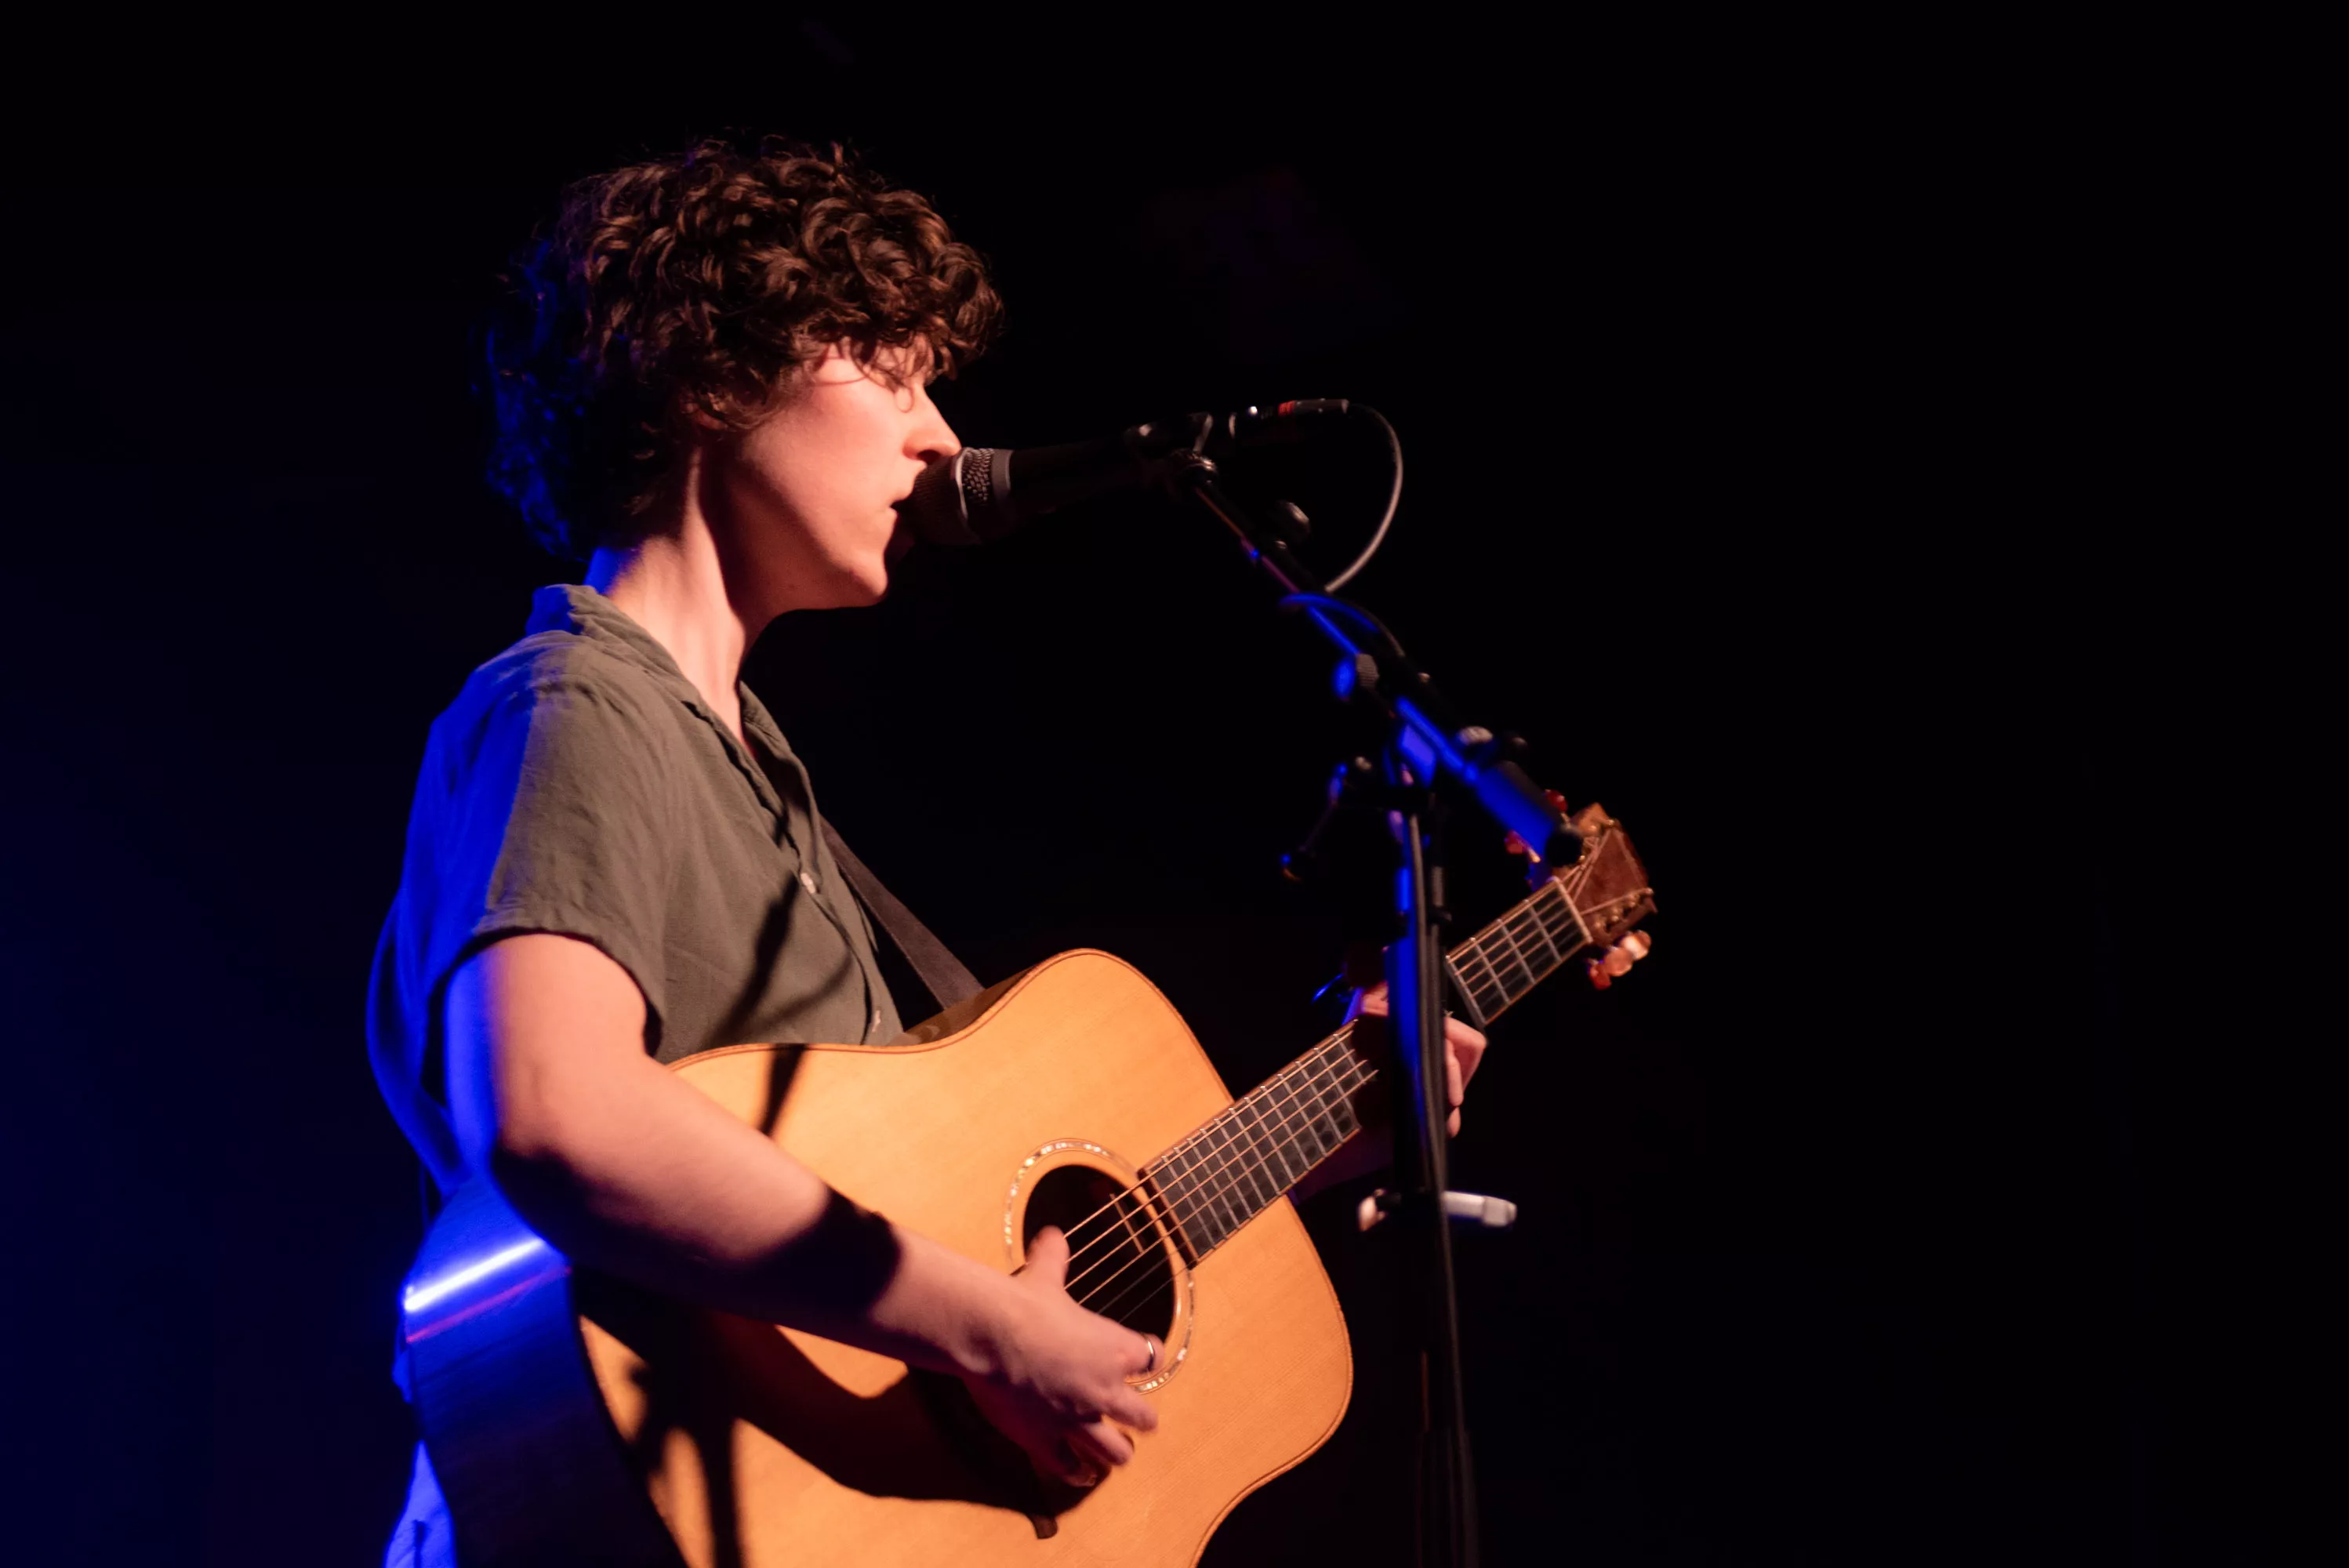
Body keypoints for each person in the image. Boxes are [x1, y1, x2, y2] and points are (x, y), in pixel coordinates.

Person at [366, 137, 1490, 1567]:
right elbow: (551, 1108)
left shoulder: (751, 773)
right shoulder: (577, 703)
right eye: (891, 374)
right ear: (709, 377)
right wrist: (987, 1328)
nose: (942, 437)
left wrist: (1323, 1139)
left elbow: (936, 1232)